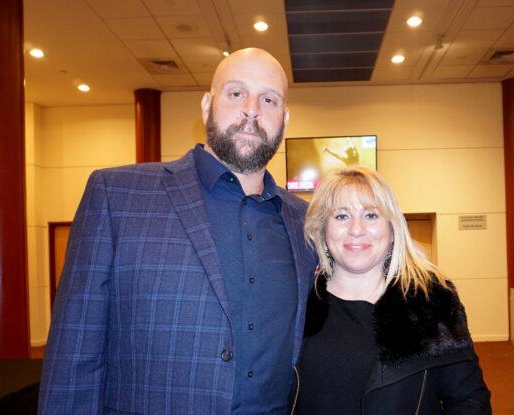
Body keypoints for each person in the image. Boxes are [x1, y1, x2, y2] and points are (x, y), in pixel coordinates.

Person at [38, 48, 317, 414]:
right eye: (236, 93)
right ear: (207, 105)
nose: (252, 109)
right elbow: (74, 357)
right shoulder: (118, 195)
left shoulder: (306, 221)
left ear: (284, 117)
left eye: (269, 99)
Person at [296, 166, 491, 414]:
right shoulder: (299, 302)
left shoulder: (430, 302)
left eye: (371, 215)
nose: (356, 229)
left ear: (392, 228)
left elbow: (468, 400)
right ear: (322, 230)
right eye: (341, 216)